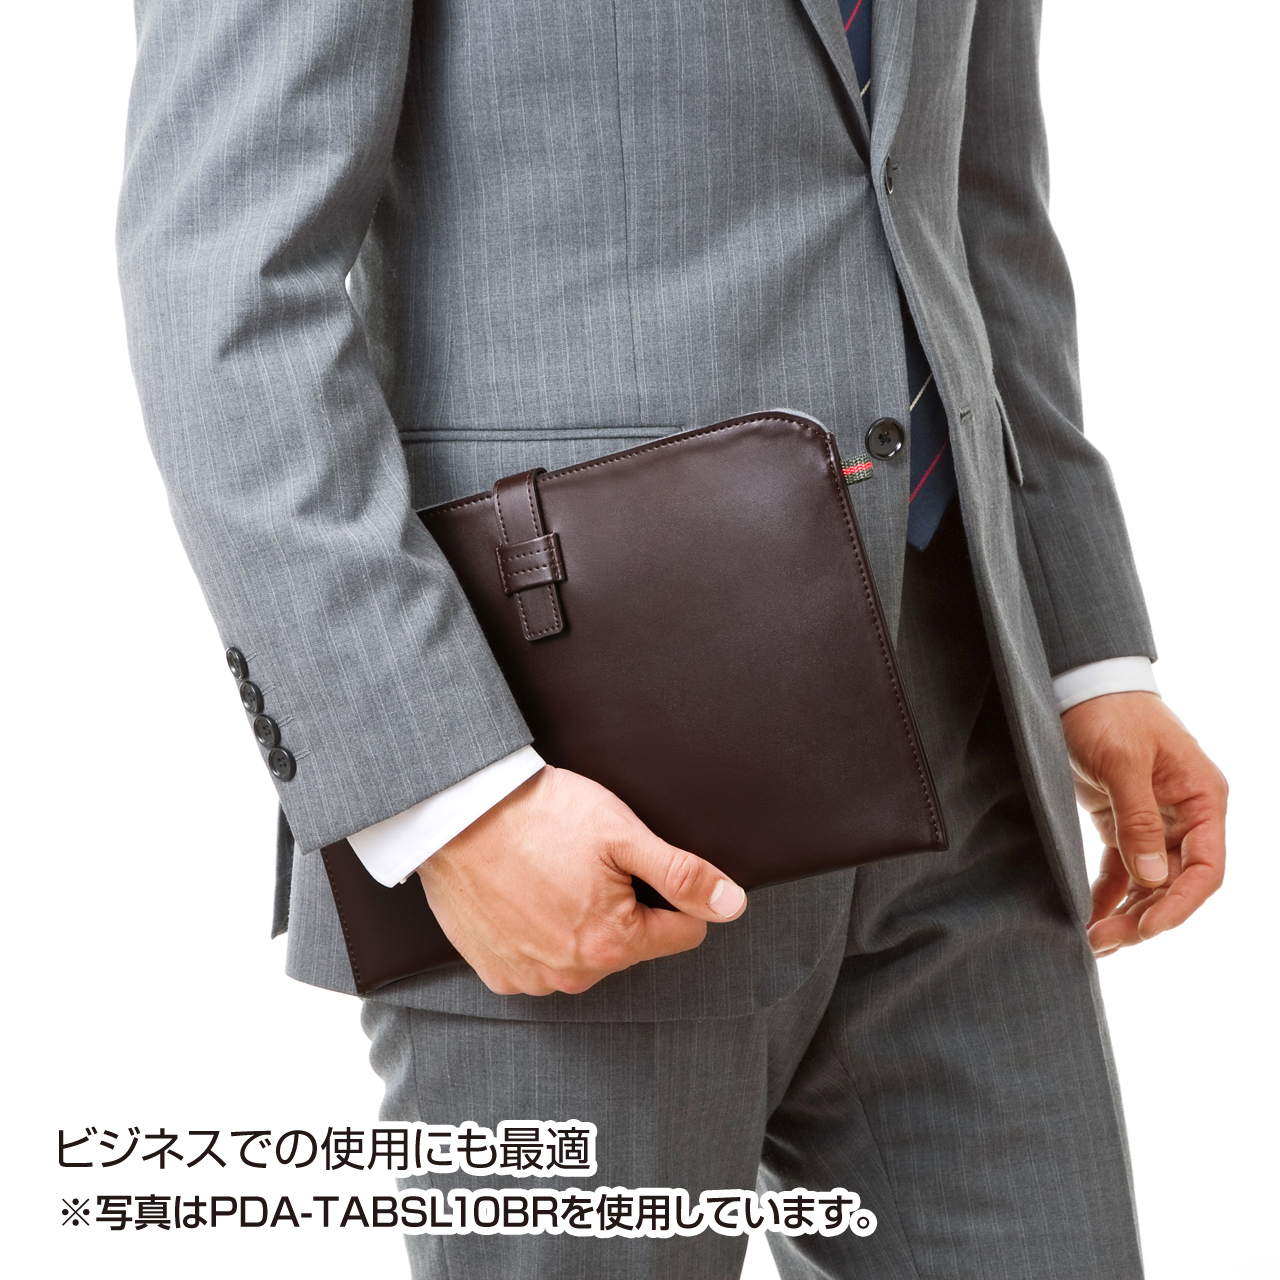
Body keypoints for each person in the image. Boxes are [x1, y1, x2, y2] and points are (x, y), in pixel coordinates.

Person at [117, 0, 1227, 1275]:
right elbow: (222, 284)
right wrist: (450, 796)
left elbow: (975, 198)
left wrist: (1086, 647)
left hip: (967, 747)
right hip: (570, 774)